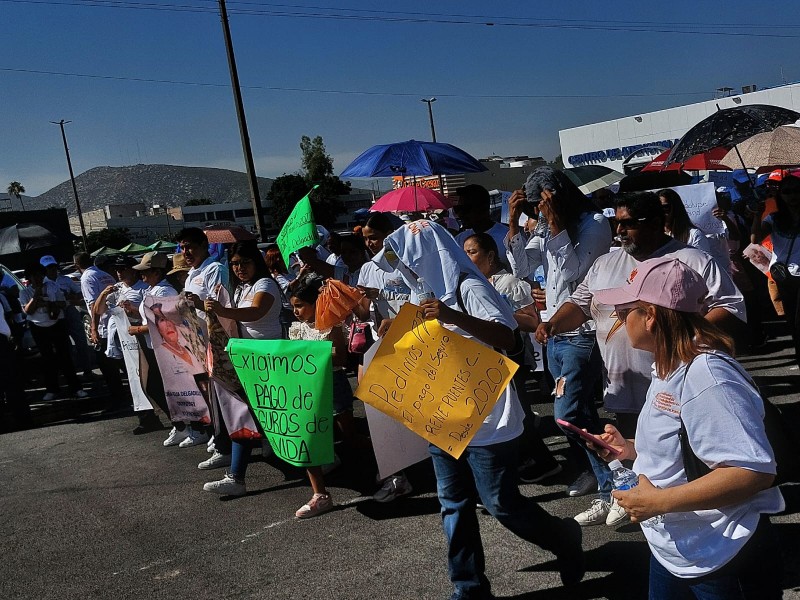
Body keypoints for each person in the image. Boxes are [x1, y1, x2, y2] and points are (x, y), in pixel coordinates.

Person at [374, 220, 585, 597]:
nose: (406, 269)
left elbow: (506, 335)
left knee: (500, 502)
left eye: (409, 260)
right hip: (441, 413)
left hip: (487, 416)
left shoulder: (468, 287)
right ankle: (469, 589)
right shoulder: (420, 292)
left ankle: (563, 537)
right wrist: (397, 325)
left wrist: (450, 315)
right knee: (453, 505)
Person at [538, 191, 746, 527]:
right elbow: (579, 304)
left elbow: (732, 306)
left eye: (629, 224)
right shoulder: (606, 263)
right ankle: (648, 511)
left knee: (687, 464)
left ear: (658, 223)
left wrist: (681, 340)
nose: (619, 231)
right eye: (616, 223)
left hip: (677, 390)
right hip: (624, 389)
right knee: (644, 458)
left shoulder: (690, 260)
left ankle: (700, 516)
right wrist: (552, 323)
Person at [590, 257, 784, 599]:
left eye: (623, 312)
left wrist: (658, 503)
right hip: (677, 547)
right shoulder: (667, 366)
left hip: (722, 553)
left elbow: (751, 471)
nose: (618, 322)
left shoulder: (707, 375)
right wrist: (632, 449)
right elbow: (688, 440)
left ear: (650, 315)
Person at [506, 167, 614, 519]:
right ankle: (601, 476)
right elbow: (523, 268)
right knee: (580, 414)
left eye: (542, 205)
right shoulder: (544, 224)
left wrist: (555, 227)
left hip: (580, 333)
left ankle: (613, 484)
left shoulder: (593, 224)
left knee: (567, 414)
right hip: (552, 333)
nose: (539, 212)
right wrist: (513, 226)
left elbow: (573, 273)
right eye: (535, 207)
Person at [463, 232, 563, 485]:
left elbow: (531, 321)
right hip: (489, 358)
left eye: (472, 252)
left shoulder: (508, 283)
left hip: (513, 355)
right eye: (464, 253)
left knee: (520, 410)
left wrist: (500, 315)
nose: (467, 258)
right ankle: (527, 459)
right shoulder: (472, 284)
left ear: (490, 255)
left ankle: (544, 463)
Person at [201, 240, 283, 485]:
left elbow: (256, 312)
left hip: (269, 358)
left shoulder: (265, 284)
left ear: (256, 262)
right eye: (235, 264)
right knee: (247, 413)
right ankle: (237, 475)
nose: (239, 268)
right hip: (247, 358)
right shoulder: (240, 289)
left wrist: (220, 311)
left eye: (245, 262)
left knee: (263, 412)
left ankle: (236, 476)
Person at [354, 211, 415, 502]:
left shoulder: (409, 263)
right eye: (366, 240)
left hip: (414, 342)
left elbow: (420, 298)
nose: (371, 244)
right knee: (379, 409)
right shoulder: (367, 268)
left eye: (375, 237)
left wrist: (386, 297)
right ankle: (396, 475)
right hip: (380, 345)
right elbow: (364, 312)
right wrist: (354, 300)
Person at [287, 274, 358, 519]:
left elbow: (341, 359)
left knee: (350, 436)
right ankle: (320, 494)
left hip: (333, 384)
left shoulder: (331, 325)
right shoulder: (296, 328)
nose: (295, 311)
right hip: (308, 389)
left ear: (314, 304)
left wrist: (317, 355)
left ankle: (390, 473)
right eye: (293, 306)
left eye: (299, 306)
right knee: (308, 439)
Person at [177, 228, 229, 448]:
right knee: (208, 392)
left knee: (223, 394)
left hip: (216, 342)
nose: (186, 252)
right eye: (183, 247)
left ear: (204, 245)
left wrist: (196, 303)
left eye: (190, 246)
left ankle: (226, 441)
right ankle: (219, 435)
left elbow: (222, 307)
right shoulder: (191, 274)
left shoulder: (214, 269)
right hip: (198, 343)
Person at [20, 263, 88, 401]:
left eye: (40, 275)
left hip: (56, 323)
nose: (38, 278)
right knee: (47, 358)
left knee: (65, 356)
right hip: (38, 326)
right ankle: (52, 389)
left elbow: (63, 303)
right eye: (34, 276)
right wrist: (36, 295)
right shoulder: (25, 292)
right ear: (29, 278)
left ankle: (76, 387)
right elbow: (27, 310)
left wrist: (49, 304)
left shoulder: (52, 286)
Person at [751, 174, 800, 367]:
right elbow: (755, 239)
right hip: (784, 277)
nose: (792, 196)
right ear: (781, 195)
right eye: (787, 192)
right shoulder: (774, 218)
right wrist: (757, 214)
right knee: (793, 324)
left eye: (797, 190)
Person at [76, 252, 127, 406]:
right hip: (116, 323)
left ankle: (118, 398)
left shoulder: (86, 278)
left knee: (107, 366)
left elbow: (93, 306)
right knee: (122, 362)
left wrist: (93, 329)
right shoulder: (105, 275)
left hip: (104, 325)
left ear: (76, 266)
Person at [40, 255, 93, 379]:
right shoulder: (42, 283)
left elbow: (79, 293)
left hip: (69, 310)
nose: (52, 270)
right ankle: (71, 372)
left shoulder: (66, 280)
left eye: (53, 267)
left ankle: (87, 370)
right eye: (48, 268)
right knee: (64, 345)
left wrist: (70, 296)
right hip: (55, 314)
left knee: (80, 340)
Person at [453, 184, 510, 267]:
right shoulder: (459, 240)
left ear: (483, 208)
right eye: (457, 209)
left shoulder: (507, 237)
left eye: (465, 209)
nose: (460, 214)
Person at [658, 188, 719, 262]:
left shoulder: (694, 235)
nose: (661, 212)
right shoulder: (652, 236)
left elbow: (704, 264)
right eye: (657, 208)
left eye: (665, 207)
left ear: (676, 208)